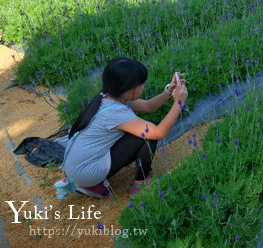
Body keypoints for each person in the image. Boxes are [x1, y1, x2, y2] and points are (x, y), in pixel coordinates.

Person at [59, 57, 188, 198]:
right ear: (127, 89)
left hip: (75, 167)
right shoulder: (116, 112)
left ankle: (87, 184)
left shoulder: (107, 97)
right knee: (147, 135)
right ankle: (139, 186)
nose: (143, 87)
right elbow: (159, 132)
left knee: (145, 128)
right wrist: (179, 103)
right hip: (86, 172)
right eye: (141, 84)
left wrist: (169, 90)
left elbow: (148, 106)